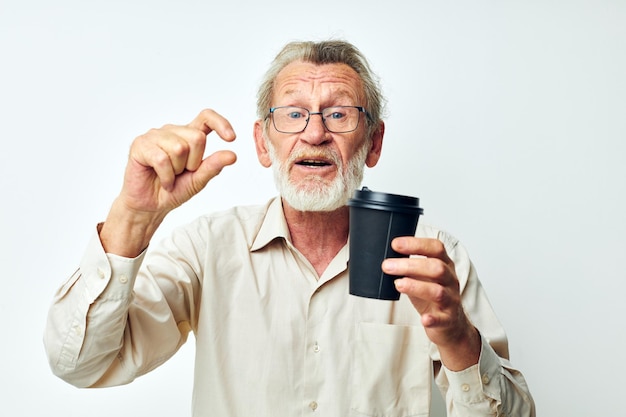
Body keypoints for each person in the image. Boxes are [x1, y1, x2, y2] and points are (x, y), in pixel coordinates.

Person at [44, 40, 535, 416]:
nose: (315, 132)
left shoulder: (431, 259)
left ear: (374, 142)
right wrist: (133, 215)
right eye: (294, 113)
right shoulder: (206, 249)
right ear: (263, 143)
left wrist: (456, 339)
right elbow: (80, 363)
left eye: (339, 113)